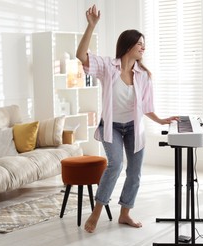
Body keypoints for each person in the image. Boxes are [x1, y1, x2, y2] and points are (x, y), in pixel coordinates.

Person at [76, 4, 178, 233]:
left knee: (135, 171)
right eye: (139, 44)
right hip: (111, 126)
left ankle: (125, 214)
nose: (143, 48)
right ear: (128, 45)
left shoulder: (144, 75)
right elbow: (80, 55)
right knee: (115, 165)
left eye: (144, 44)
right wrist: (91, 26)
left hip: (134, 128)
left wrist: (160, 120)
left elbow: (147, 106)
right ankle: (96, 212)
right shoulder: (106, 67)